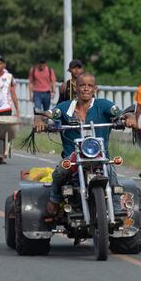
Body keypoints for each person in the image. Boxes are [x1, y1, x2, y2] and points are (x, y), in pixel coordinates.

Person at [38, 72, 132, 217]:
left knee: (111, 172)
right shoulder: (65, 107)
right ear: (76, 88)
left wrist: (130, 119)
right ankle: (54, 199)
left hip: (100, 157)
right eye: (82, 85)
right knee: (60, 172)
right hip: (73, 158)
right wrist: (39, 121)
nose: (86, 88)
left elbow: (123, 114)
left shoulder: (103, 105)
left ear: (95, 89)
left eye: (90, 85)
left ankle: (116, 208)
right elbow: (48, 114)